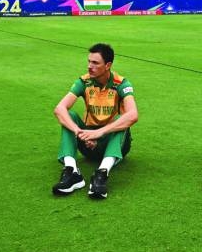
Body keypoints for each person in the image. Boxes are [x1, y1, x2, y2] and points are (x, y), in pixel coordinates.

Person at [52, 43, 138, 200]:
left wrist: (99, 133)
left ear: (108, 65)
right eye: (89, 61)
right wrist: (80, 133)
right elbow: (59, 109)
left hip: (114, 142)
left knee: (122, 119)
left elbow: (133, 115)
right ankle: (72, 172)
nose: (89, 66)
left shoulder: (121, 83)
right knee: (68, 116)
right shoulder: (84, 82)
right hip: (87, 141)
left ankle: (102, 173)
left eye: (95, 63)